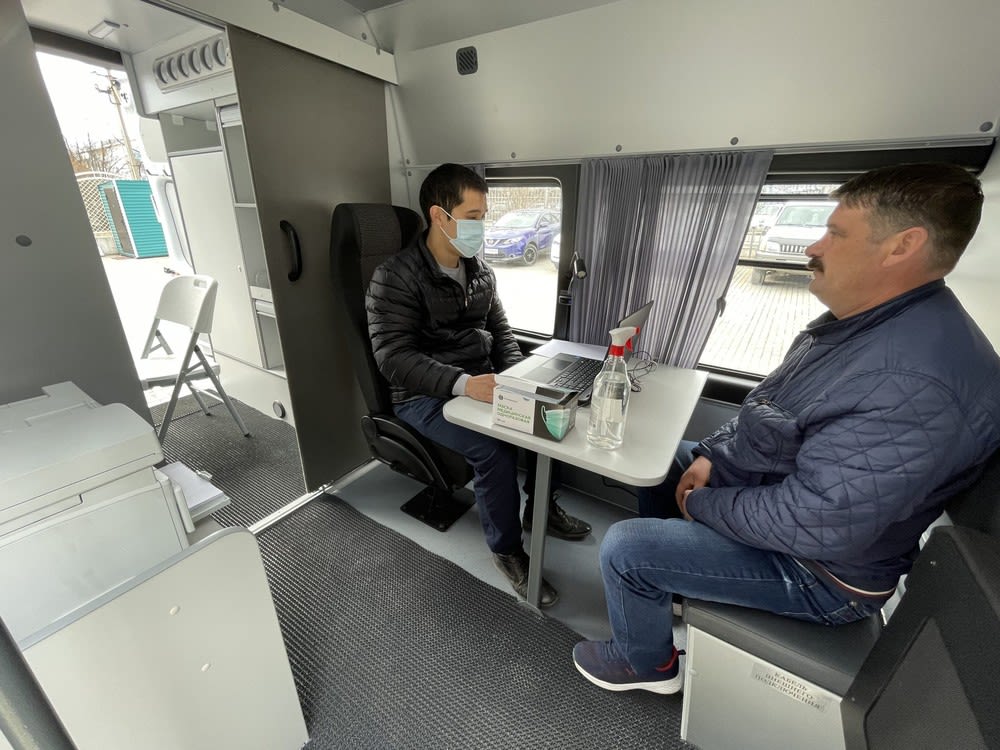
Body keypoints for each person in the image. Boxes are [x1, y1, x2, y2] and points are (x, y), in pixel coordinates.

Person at [573, 162, 1000, 694]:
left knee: (626, 548)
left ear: (902, 246)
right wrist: (712, 455)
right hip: (795, 513)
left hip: (821, 573)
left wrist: (702, 505)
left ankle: (648, 665)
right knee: (667, 460)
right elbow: (770, 406)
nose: (813, 247)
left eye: (835, 233)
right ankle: (674, 585)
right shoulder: (863, 323)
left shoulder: (914, 379)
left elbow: (818, 523)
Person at [366, 163, 591, 608]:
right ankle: (507, 551)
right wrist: (464, 384)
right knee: (494, 450)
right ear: (439, 216)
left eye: (484, 216)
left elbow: (501, 334)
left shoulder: (481, 272)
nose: (481, 227)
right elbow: (394, 358)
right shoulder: (394, 277)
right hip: (423, 394)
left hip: (481, 383)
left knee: (550, 418)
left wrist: (520, 383)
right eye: (473, 217)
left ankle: (540, 511)